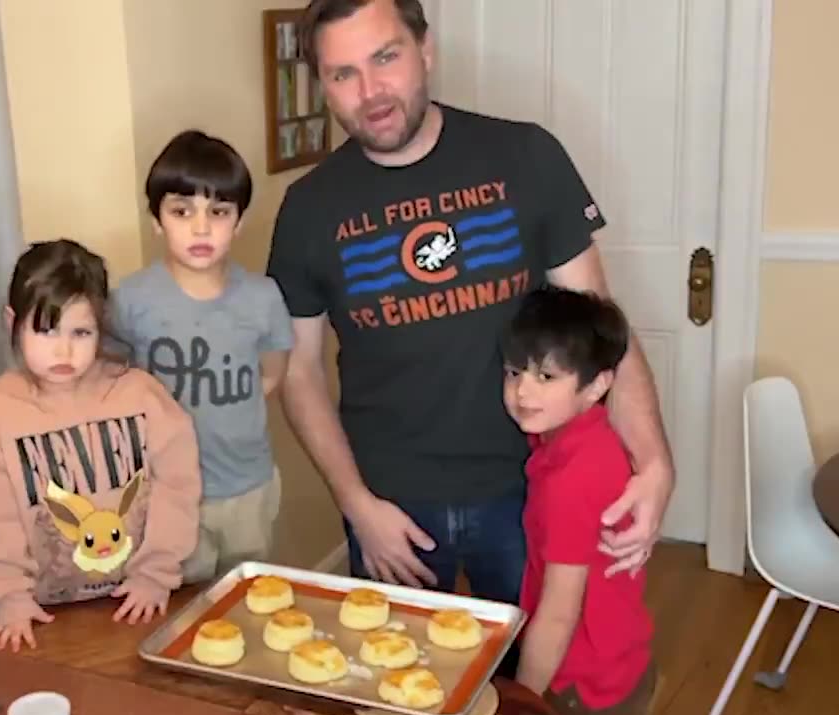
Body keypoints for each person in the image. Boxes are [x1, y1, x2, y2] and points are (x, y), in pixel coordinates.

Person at [265, 0, 672, 656]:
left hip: (530, 488)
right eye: (342, 74)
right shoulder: (309, 209)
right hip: (388, 503)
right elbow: (301, 372)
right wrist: (357, 504)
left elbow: (601, 327)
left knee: (524, 682)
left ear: (425, 51)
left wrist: (653, 462)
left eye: (385, 58)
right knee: (395, 685)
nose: (370, 93)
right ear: (321, 85)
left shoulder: (525, 156)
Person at [0, 239, 202, 652]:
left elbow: (178, 486)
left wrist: (156, 573)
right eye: (45, 330)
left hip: (141, 601)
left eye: (81, 332)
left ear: (101, 326)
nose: (64, 349)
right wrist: (10, 597)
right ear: (12, 323)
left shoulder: (142, 395)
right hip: (46, 616)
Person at [112, 130, 294, 584]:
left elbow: (271, 376)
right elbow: (111, 389)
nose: (200, 228)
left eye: (217, 212)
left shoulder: (263, 298)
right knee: (179, 611)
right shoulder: (130, 301)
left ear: (238, 221)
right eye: (181, 211)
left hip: (248, 489)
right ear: (157, 220)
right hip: (167, 494)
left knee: (247, 604)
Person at [503, 286, 656, 715]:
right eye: (514, 372)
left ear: (596, 386)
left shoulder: (573, 476)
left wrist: (519, 701)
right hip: (617, 659)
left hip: (581, 684)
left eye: (546, 377)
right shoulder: (577, 437)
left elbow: (558, 614)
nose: (522, 392)